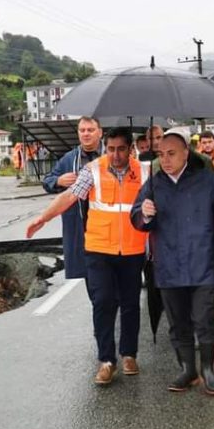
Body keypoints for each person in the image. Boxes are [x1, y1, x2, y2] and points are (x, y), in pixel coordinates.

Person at [28, 127, 147, 384]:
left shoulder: (144, 172)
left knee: (129, 304)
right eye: (111, 149)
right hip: (98, 249)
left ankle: (129, 354)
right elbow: (69, 196)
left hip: (132, 249)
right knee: (103, 301)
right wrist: (43, 218)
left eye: (121, 149)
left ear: (131, 149)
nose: (115, 155)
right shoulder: (93, 170)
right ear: (106, 147)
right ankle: (106, 360)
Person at [131, 128, 214, 394]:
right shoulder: (155, 184)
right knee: (178, 321)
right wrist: (144, 214)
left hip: (202, 260)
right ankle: (187, 369)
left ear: (185, 154)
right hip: (168, 263)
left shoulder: (206, 179)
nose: (165, 159)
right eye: (161, 154)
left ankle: (208, 369)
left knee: (205, 317)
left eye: (171, 154)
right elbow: (137, 218)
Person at [42, 117, 104, 282]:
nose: (86, 134)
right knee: (92, 280)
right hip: (80, 226)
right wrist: (58, 181)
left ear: (100, 132)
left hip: (106, 228)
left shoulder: (111, 155)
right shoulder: (70, 159)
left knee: (113, 280)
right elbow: (47, 181)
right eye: (82, 130)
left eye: (90, 130)